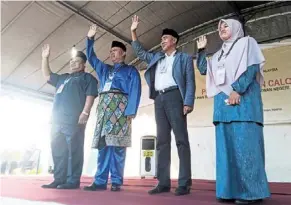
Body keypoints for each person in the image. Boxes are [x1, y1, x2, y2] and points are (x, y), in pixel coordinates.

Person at [196, 19, 270, 204]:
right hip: (222, 107)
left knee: (246, 148)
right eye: (220, 27)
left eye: (226, 25)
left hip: (243, 103)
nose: (222, 28)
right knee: (225, 150)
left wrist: (237, 89)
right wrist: (201, 51)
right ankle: (227, 191)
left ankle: (251, 194)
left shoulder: (247, 43)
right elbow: (205, 70)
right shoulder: (218, 54)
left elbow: (252, 67)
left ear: (236, 28)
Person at [130, 15, 195, 196]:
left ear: (174, 41)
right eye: (161, 39)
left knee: (181, 140)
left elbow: (190, 81)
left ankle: (184, 183)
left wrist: (188, 102)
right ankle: (163, 182)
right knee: (162, 141)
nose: (162, 41)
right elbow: (141, 53)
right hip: (159, 99)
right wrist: (133, 32)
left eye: (165, 39)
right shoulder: (157, 57)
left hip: (176, 97)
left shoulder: (184, 58)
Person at [83, 24, 141, 192]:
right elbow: (91, 57)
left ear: (123, 53)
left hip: (121, 110)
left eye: (115, 51)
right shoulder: (104, 69)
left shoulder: (130, 70)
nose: (112, 54)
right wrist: (90, 39)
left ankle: (116, 181)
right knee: (103, 146)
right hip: (104, 110)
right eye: (110, 51)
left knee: (117, 146)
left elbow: (135, 90)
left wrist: (131, 111)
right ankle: (100, 181)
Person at [41, 44, 98, 189]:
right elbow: (47, 75)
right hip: (57, 121)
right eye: (71, 61)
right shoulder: (63, 78)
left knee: (74, 150)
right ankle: (59, 179)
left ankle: (72, 181)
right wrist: (44, 58)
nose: (73, 63)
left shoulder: (87, 78)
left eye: (76, 61)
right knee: (58, 150)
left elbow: (90, 95)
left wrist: (85, 112)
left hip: (74, 120)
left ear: (83, 65)